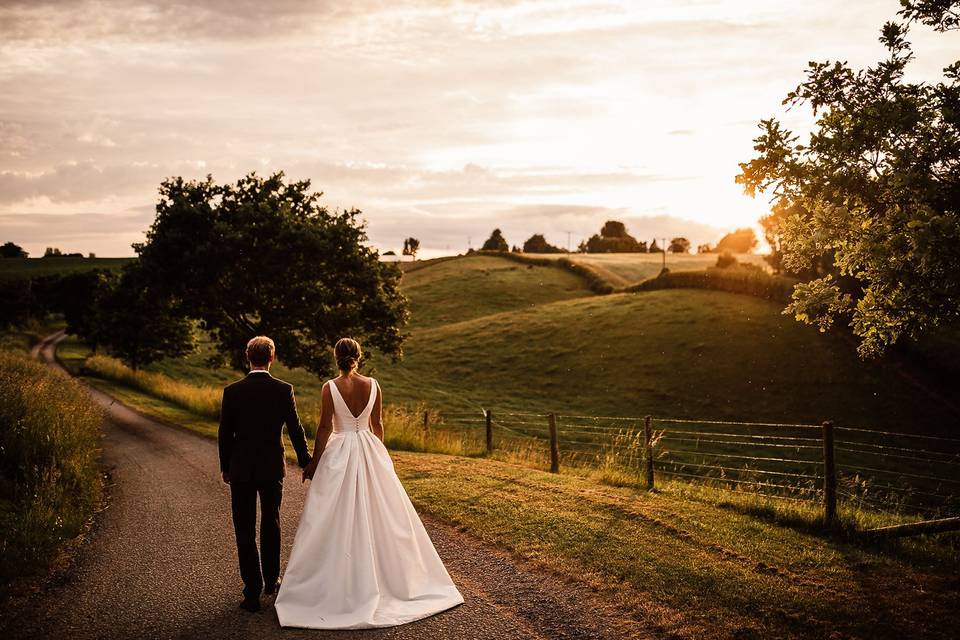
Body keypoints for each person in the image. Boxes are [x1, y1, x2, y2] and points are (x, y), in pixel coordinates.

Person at [274, 337, 463, 629]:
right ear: (358, 357)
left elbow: (325, 427)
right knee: (381, 514)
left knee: (332, 516)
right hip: (368, 447)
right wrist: (379, 455)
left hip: (340, 452)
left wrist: (314, 462)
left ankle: (341, 580)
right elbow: (378, 425)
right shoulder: (374, 385)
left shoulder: (330, 387)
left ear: (336, 357)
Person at [218, 336, 311, 612]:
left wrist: (225, 466)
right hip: (272, 467)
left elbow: (225, 433)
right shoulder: (283, 389)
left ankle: (252, 592)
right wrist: (306, 461)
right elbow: (295, 429)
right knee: (271, 522)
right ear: (272, 358)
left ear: (248, 357)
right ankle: (271, 580)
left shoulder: (232, 391)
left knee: (244, 528)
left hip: (242, 468)